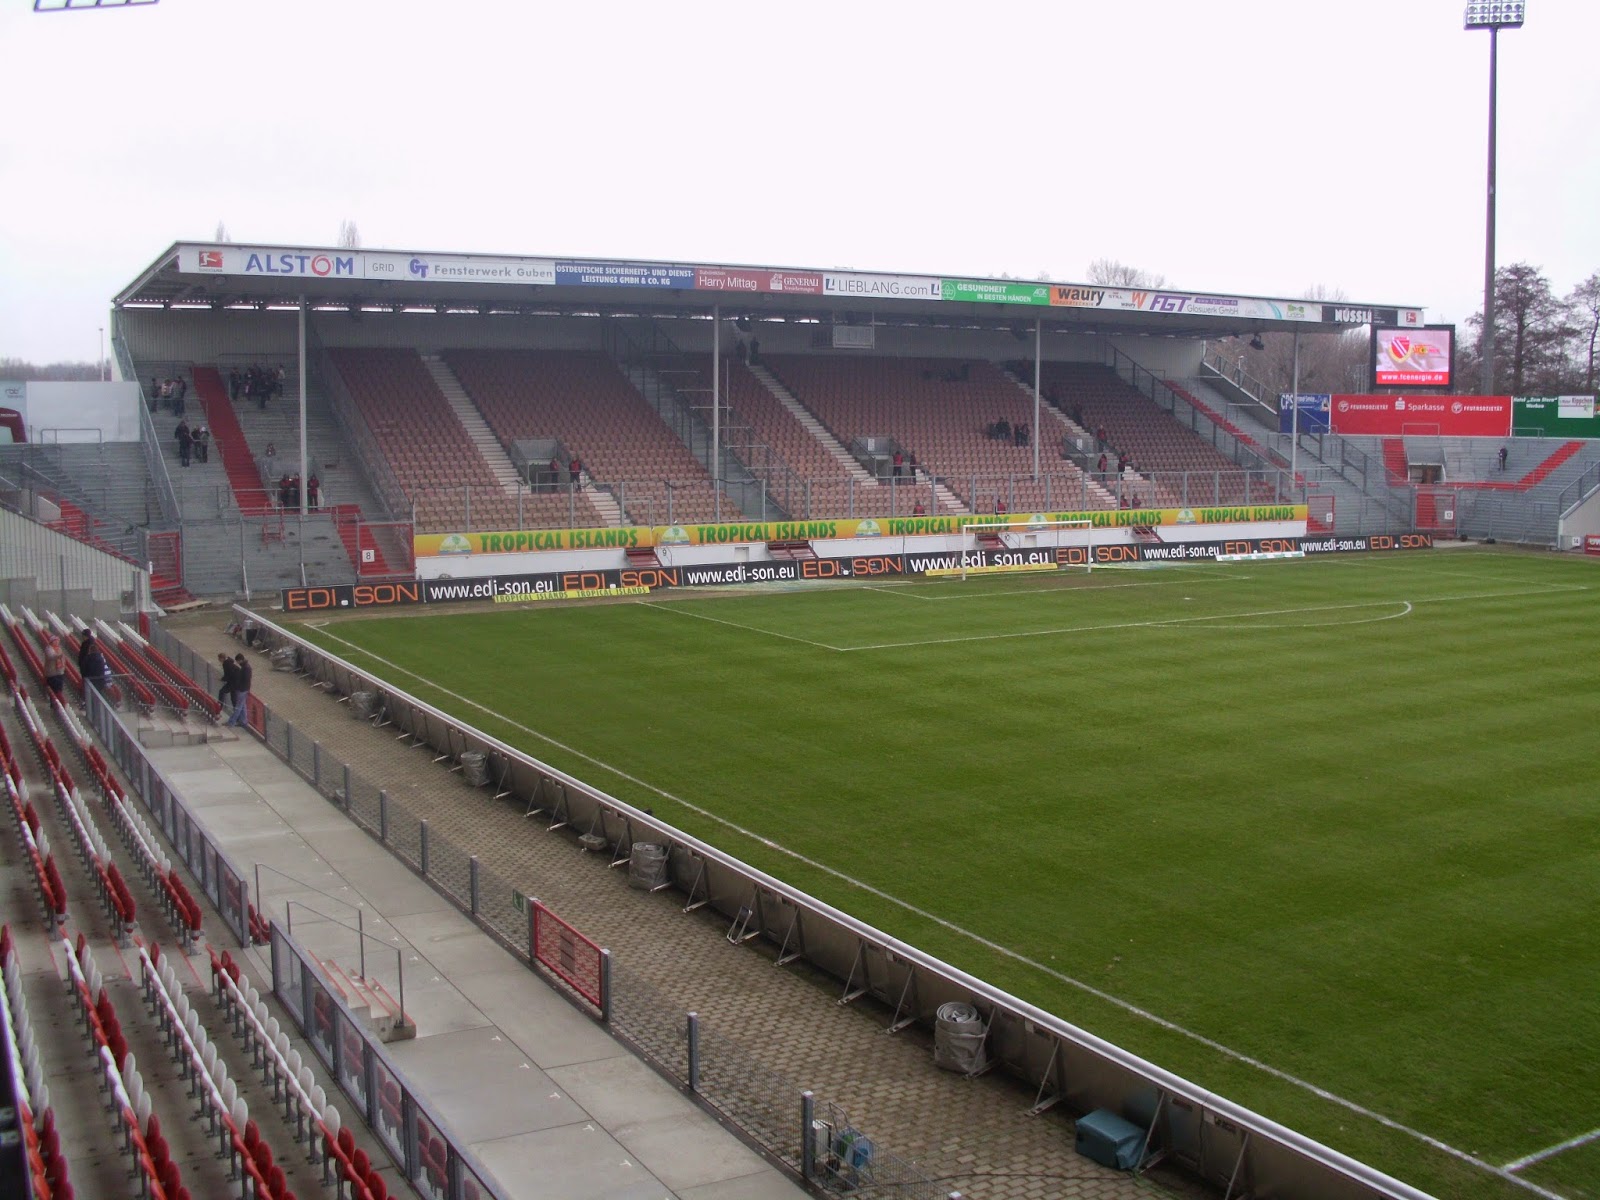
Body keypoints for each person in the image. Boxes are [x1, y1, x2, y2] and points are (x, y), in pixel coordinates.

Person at [79, 632, 111, 705]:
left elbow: (84, 669)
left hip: (90, 680)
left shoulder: (87, 658)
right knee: (98, 696)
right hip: (100, 680)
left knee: (91, 697)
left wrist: (84, 677)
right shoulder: (101, 658)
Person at [227, 652, 252, 727]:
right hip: (243, 689)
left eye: (237, 661)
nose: (237, 663)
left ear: (240, 660)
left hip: (242, 690)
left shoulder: (246, 668)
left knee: (238, 707)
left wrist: (239, 686)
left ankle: (231, 722)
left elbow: (245, 679)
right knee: (242, 706)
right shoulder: (245, 667)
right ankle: (244, 721)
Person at [44, 634, 66, 700]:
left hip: (60, 672)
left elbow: (63, 659)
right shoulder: (48, 649)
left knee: (59, 689)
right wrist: (59, 656)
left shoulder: (59, 649)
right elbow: (51, 657)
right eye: (55, 641)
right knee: (54, 689)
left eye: (57, 640)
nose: (57, 642)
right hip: (52, 673)